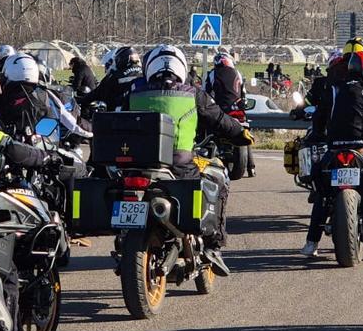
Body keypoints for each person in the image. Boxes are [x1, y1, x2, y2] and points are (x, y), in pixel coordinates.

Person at [123, 44, 251, 261]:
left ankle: (124, 234)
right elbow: (221, 120)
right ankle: (213, 244)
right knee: (218, 177)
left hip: (135, 165)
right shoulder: (193, 94)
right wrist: (241, 134)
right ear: (180, 68)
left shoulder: (133, 92)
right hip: (179, 164)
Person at [299, 38, 363, 258]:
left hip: (334, 149)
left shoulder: (333, 87)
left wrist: (320, 133)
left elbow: (320, 117)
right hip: (361, 150)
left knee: (321, 192)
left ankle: (311, 243)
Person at [0, 52, 91, 141]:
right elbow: (73, 122)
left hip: (20, 150)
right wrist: (96, 129)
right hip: (40, 151)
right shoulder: (47, 95)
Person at [205, 50, 254, 177]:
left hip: (220, 109)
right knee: (246, 132)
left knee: (206, 127)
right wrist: (242, 103)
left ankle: (206, 157)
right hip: (237, 109)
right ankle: (251, 167)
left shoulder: (212, 74)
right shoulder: (238, 73)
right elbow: (244, 94)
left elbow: (205, 93)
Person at [79, 45, 143, 111]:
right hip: (145, 115)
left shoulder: (115, 76)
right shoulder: (145, 73)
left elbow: (97, 94)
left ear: (122, 59)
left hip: (118, 116)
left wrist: (81, 101)